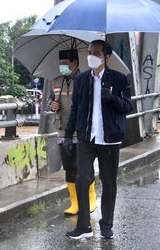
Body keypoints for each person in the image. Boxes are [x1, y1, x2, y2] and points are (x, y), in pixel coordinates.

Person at [64, 40, 132, 239]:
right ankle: (84, 225)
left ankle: (107, 224)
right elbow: (75, 108)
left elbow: (128, 107)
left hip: (109, 139)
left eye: (96, 52)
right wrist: (68, 134)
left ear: (106, 56)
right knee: (82, 179)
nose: (91, 56)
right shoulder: (82, 79)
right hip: (86, 137)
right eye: (89, 52)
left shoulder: (120, 79)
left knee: (109, 182)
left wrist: (112, 98)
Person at [47, 49, 96, 216]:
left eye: (65, 64)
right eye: (60, 64)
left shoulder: (87, 80)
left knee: (83, 167)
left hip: (81, 131)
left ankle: (90, 199)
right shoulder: (56, 82)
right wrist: (52, 106)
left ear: (75, 63)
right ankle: (74, 202)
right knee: (69, 167)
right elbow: (48, 102)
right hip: (62, 131)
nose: (62, 67)